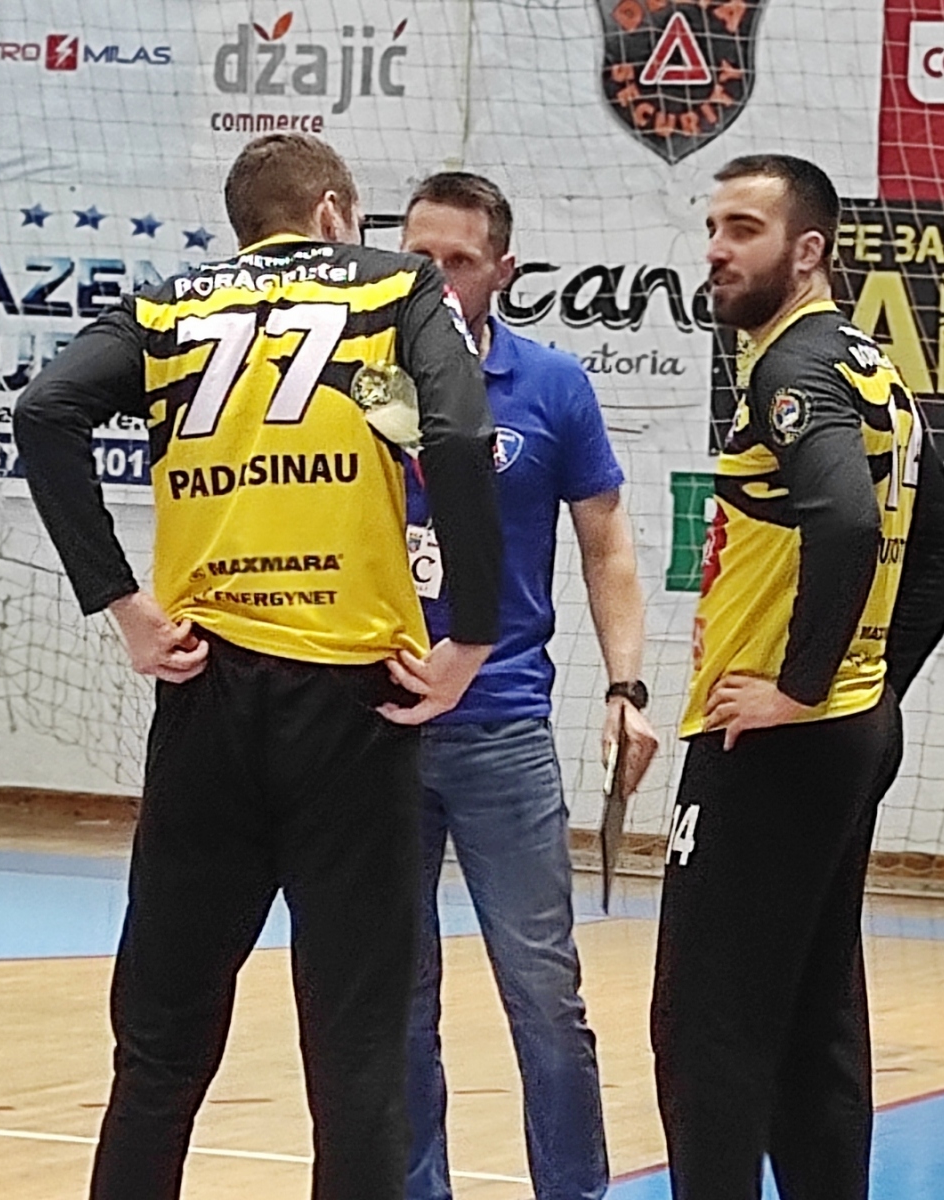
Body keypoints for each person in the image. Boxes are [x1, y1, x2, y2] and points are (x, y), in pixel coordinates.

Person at [13, 133, 503, 1200]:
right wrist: (471, 632)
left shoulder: (166, 307)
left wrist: (123, 605)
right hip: (356, 702)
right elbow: (463, 439)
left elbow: (43, 411)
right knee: (358, 1047)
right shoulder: (396, 286)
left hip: (207, 691)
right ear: (332, 214)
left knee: (160, 1043)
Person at [650, 154, 944, 1200]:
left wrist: (800, 688)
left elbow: (844, 519)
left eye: (742, 230)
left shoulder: (791, 368)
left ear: (807, 252)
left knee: (704, 1021)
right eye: (712, 227)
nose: (716, 249)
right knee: (811, 1015)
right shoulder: (865, 364)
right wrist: (867, 686)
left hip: (770, 741)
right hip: (842, 731)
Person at [397, 172, 660, 1200]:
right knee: (393, 996)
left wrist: (626, 686)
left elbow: (607, 545)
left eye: (457, 260)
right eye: (416, 256)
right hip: (372, 730)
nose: (433, 277)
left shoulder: (550, 386)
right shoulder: (348, 385)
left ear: (501, 271)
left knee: (543, 993)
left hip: (501, 728)